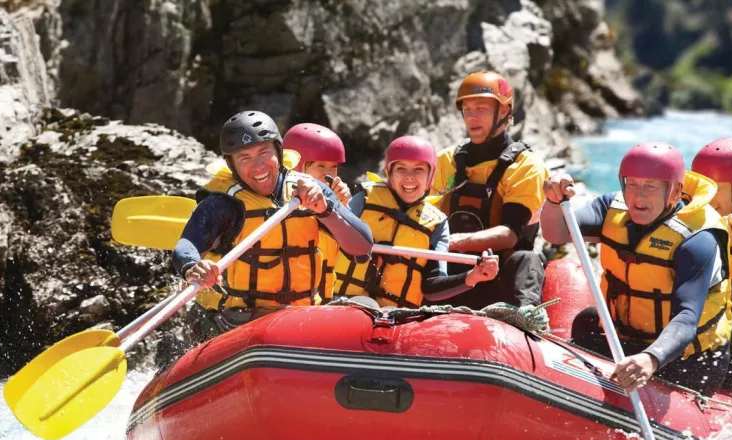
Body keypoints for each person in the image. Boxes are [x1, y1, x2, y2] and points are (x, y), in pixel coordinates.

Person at [170, 111, 374, 351]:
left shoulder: (311, 191)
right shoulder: (223, 204)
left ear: (278, 152)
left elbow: (363, 248)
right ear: (231, 165)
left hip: (303, 316)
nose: (258, 166)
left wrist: (324, 210)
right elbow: (186, 245)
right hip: (240, 320)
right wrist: (193, 266)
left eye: (264, 153)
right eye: (244, 158)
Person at [541, 142, 732, 396]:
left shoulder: (697, 239)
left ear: (675, 192)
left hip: (687, 356)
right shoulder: (611, 208)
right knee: (586, 322)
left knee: (679, 362)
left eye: (651, 187)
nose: (638, 196)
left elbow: (686, 318)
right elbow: (556, 232)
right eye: (632, 184)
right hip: (632, 338)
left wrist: (651, 358)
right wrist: (554, 202)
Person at [333, 135, 498, 308]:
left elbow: (432, 286)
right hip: (343, 304)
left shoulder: (437, 224)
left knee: (385, 310)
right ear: (389, 173)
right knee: (365, 304)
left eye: (419, 169)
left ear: (430, 177)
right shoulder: (364, 200)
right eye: (401, 169)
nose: (409, 176)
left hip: (394, 316)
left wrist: (473, 276)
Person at [431, 71, 549, 309]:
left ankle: (524, 320)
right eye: (467, 110)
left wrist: (449, 242)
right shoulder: (447, 161)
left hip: (500, 274)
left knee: (527, 257)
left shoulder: (526, 165)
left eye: (481, 109)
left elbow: (510, 234)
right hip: (453, 273)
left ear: (503, 112)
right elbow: (425, 218)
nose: (472, 118)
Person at [690, 137, 732, 392]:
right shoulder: (689, 226)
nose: (704, 195)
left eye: (716, 187)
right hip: (704, 341)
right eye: (700, 185)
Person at [283, 123, 351, 301]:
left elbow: (354, 250)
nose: (329, 175)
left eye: (333, 167)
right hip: (288, 303)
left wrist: (342, 206)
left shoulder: (334, 202)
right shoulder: (282, 205)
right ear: (298, 168)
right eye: (321, 166)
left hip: (323, 300)